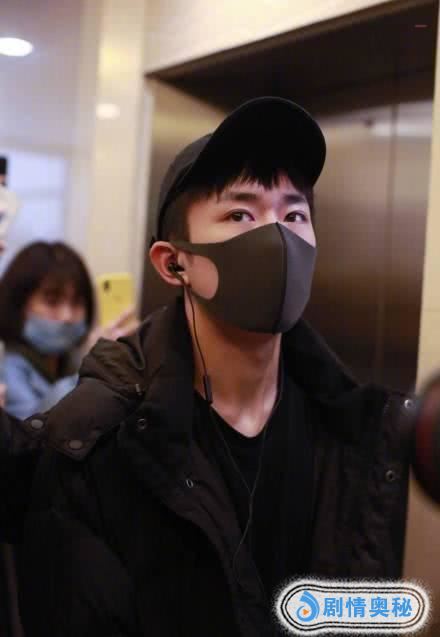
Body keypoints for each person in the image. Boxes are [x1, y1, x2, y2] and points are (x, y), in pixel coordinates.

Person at [0, 98, 418, 636]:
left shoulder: (363, 434)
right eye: (240, 215)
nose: (278, 238)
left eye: (294, 215)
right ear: (174, 262)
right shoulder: (96, 445)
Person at [0, 242, 137, 419]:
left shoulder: (68, 359)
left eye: (76, 302)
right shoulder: (8, 369)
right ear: (18, 305)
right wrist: (91, 366)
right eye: (52, 301)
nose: (67, 315)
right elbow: (30, 428)